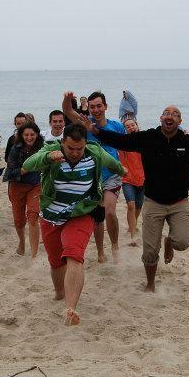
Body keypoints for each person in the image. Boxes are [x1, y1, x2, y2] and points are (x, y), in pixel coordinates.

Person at [66, 94, 189, 292]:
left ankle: (169, 241)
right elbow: (121, 141)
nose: (170, 116)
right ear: (160, 118)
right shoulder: (149, 138)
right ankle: (150, 284)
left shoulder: (188, 142)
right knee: (150, 252)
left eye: (175, 114)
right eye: (166, 113)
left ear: (180, 121)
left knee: (182, 242)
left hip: (179, 202)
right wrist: (97, 132)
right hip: (153, 201)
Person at [21, 123, 125, 325]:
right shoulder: (51, 150)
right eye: (71, 148)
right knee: (56, 262)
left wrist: (122, 170)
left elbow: (112, 163)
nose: (76, 153)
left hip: (81, 213)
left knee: (74, 255)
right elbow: (27, 164)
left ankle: (71, 308)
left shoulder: (94, 152)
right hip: (52, 215)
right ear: (63, 143)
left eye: (80, 148)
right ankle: (60, 294)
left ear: (86, 144)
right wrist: (47, 157)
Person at [63, 91, 126, 262]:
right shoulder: (84, 124)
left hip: (112, 176)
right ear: (88, 109)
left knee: (110, 212)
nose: (96, 109)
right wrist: (67, 99)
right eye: (92, 107)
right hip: (92, 177)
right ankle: (100, 251)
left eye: (99, 106)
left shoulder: (116, 126)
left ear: (105, 106)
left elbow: (127, 146)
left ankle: (114, 245)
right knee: (98, 216)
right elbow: (68, 111)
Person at [3, 121, 44, 258]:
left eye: (32, 134)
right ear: (22, 135)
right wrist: (25, 169)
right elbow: (9, 172)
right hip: (17, 185)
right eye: (26, 134)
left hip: (35, 186)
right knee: (19, 220)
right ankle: (21, 242)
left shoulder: (42, 147)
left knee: (33, 216)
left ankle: (34, 253)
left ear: (37, 134)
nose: (29, 137)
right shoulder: (16, 148)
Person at [118, 118, 146, 245]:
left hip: (143, 179)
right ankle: (132, 236)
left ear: (137, 125)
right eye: (127, 126)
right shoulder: (123, 142)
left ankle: (132, 224)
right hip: (127, 179)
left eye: (132, 125)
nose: (130, 127)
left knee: (139, 206)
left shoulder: (146, 141)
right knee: (131, 205)